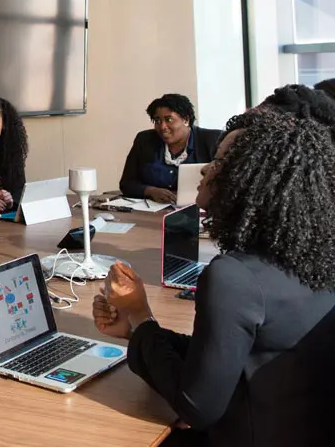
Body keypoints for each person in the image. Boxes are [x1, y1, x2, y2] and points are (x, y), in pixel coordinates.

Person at [93, 99, 335, 447]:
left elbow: (197, 408)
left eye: (219, 161)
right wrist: (136, 333)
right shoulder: (309, 257)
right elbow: (225, 356)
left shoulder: (233, 277)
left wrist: (140, 314)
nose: (205, 170)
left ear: (248, 180)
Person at [119, 94, 221, 203]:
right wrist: (151, 191)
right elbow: (127, 184)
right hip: (153, 211)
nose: (162, 126)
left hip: (200, 209)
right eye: (157, 121)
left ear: (186, 120)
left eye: (169, 119)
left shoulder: (213, 140)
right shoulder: (144, 140)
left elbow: (228, 184)